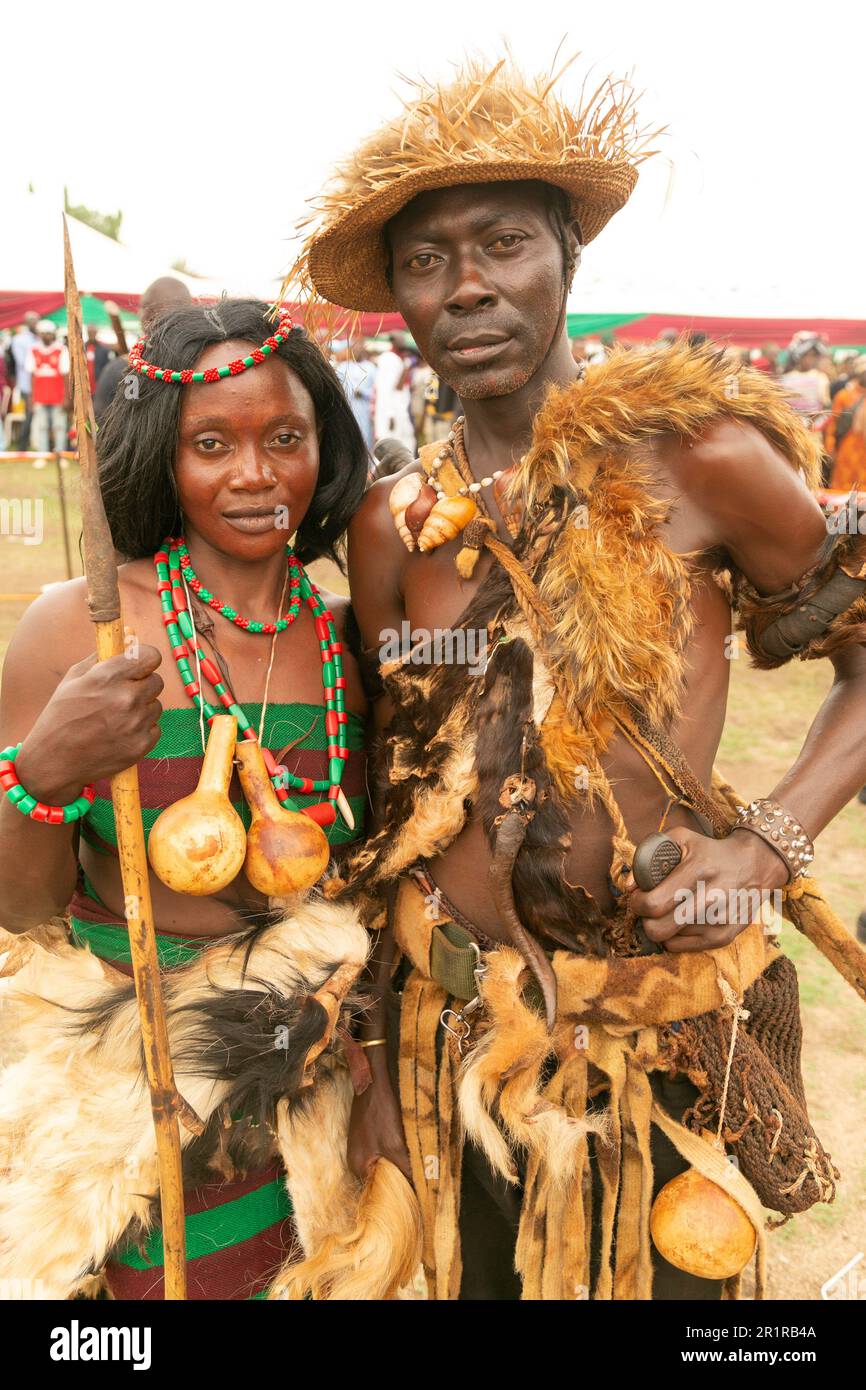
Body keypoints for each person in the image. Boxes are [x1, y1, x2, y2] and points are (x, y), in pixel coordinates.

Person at [286, 55, 866, 1301]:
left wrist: (762, 848)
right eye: (426, 261)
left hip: (645, 1040)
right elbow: (392, 809)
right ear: (396, 296)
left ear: (568, 258)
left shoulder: (697, 457)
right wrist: (378, 1062)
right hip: (452, 1060)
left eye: (503, 243)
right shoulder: (393, 523)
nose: (469, 286)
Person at [0, 299, 372, 1299]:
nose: (255, 473)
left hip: (305, 1086)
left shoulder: (351, 643)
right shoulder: (84, 626)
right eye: (212, 443)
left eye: (283, 438)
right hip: (128, 1088)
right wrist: (43, 772)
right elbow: (20, 906)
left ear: (322, 449)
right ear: (165, 458)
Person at [93, 276, 193, 424]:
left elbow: (97, 426)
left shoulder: (122, 369)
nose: (139, 314)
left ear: (149, 312)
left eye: (142, 307)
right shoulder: (210, 366)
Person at [26, 320, 69, 455]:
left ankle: (60, 455)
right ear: (39, 334)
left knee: (60, 426)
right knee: (42, 427)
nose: (46, 336)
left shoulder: (61, 349)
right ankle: (42, 454)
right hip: (40, 396)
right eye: (43, 333)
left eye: (48, 333)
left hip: (57, 396)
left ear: (53, 335)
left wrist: (67, 397)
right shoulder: (33, 350)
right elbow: (31, 376)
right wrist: (30, 397)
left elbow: (66, 375)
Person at [825, 355, 866, 491]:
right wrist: (830, 448)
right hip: (846, 452)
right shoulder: (844, 396)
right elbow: (832, 425)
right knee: (842, 493)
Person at [373, 333, 416, 451]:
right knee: (390, 447)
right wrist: (390, 415)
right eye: (400, 339)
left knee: (406, 444)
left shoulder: (401, 359)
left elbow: (400, 387)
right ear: (393, 341)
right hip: (391, 413)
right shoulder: (389, 359)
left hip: (401, 410)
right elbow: (384, 390)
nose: (403, 341)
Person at [331, 337, 374, 450]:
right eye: (355, 348)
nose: (357, 351)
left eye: (360, 348)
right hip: (348, 411)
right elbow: (337, 388)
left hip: (365, 412)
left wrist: (363, 393)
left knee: (365, 441)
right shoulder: (343, 367)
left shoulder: (371, 368)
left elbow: (376, 391)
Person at [8, 311, 39, 448]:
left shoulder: (38, 338)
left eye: (36, 321)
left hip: (40, 384)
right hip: (27, 385)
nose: (35, 324)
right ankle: (22, 445)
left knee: (36, 414)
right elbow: (22, 362)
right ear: (27, 322)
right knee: (29, 413)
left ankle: (34, 443)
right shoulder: (19, 340)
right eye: (33, 321)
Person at [85, 323, 112, 391]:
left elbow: (107, 368)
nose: (91, 334)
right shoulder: (82, 348)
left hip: (99, 385)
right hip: (85, 386)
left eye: (93, 332)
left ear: (96, 333)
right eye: (89, 332)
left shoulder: (103, 349)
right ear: (87, 332)